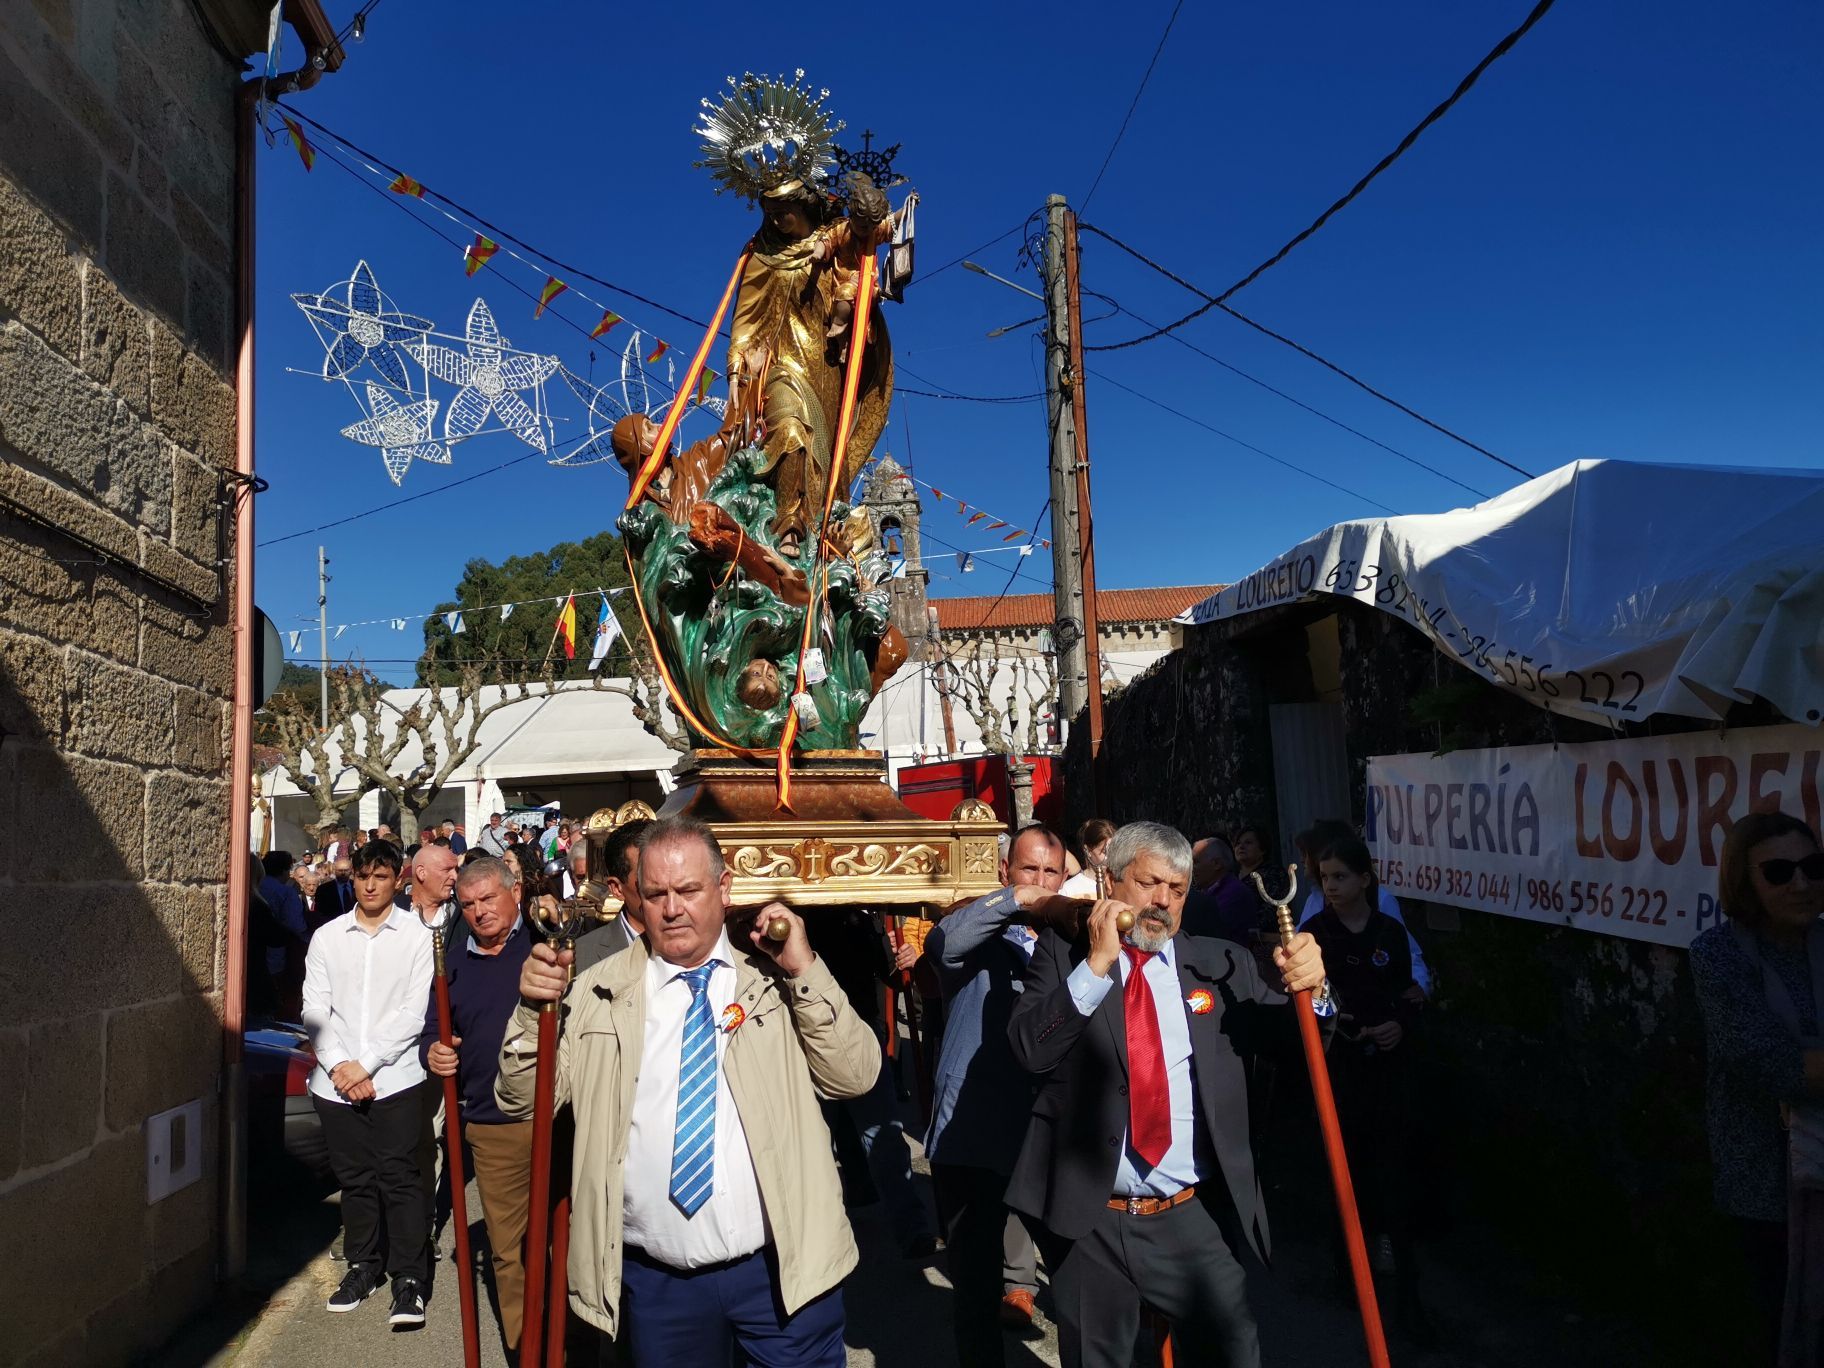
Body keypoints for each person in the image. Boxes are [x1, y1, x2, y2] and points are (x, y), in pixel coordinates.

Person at [499, 815, 880, 1362]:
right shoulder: (596, 991)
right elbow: (521, 1100)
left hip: (783, 1275)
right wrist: (532, 1013)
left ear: (723, 889)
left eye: (688, 890)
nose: (672, 908)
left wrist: (805, 969)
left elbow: (854, 1074)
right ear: (635, 897)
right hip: (658, 1286)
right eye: (655, 893)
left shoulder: (773, 980)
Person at [1007, 820, 1332, 1368]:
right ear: (1110, 883)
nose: (1162, 901)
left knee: (1231, 1349)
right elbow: (1029, 1051)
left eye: (1177, 890)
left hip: (1188, 1215)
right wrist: (1096, 966)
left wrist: (1316, 993)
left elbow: (1297, 1044)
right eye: (1149, 883)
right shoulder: (1065, 958)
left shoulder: (1219, 964)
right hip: (1092, 1221)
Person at [924, 824, 1066, 1364]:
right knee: (976, 1288)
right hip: (974, 1130)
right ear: (1007, 872)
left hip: (1044, 1130)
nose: (1041, 881)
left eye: (1051, 871)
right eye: (1029, 869)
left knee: (1076, 1273)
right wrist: (1016, 902)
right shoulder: (981, 934)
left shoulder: (1070, 940)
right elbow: (943, 943)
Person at [1691, 811, 1824, 1366]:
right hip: (1766, 1173)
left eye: (1813, 866)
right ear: (1745, 882)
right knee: (1780, 1316)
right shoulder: (1718, 955)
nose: (1801, 883)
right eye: (1778, 871)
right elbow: (1766, 1062)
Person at [301, 839, 436, 1328]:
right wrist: (339, 1065)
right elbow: (314, 1008)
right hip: (335, 1084)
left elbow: (412, 1014)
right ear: (352, 879)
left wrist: (367, 1065)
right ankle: (363, 1264)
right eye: (363, 876)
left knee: (399, 1178)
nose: (371, 885)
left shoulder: (417, 937)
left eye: (381, 876)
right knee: (355, 1180)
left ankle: (409, 1278)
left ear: (398, 879)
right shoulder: (328, 937)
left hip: (395, 1079)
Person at [1306, 836, 1432, 1343]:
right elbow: (1312, 1001)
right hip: (1342, 1071)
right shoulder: (1315, 935)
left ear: (1365, 879)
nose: (1331, 887)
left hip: (1391, 1070)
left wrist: (1398, 1024)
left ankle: (1409, 1297)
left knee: (1396, 1176)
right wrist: (1342, 1023)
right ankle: (1347, 1274)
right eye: (1325, 878)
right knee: (1347, 1173)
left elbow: (1409, 993)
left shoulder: (1389, 932)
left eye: (1340, 877)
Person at [420, 857, 538, 1355]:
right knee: (508, 1251)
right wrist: (434, 1051)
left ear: (515, 893)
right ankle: (525, 1351)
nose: (479, 912)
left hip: (561, 1116)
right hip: (492, 1126)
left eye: (489, 898)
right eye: (467, 904)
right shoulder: (452, 962)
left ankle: (571, 1345)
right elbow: (434, 1028)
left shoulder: (545, 943)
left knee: (569, 1240)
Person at [1293, 818, 1433, 1000]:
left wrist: (1418, 989)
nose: (1302, 860)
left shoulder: (1382, 902)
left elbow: (1407, 955)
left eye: (1306, 854)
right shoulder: (1314, 901)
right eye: (1325, 877)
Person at [573, 818, 652, 972]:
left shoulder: (701, 943)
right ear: (617, 888)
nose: (663, 885)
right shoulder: (581, 958)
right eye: (648, 877)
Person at [1180, 835, 1262, 944]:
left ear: (1216, 864)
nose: (1191, 868)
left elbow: (1204, 931)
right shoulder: (1209, 891)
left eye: (1196, 862)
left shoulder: (1235, 894)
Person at [1058, 819, 1116, 899]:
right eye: (1104, 851)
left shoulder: (1119, 884)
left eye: (1114, 850)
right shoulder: (1069, 889)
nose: (1111, 857)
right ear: (1088, 850)